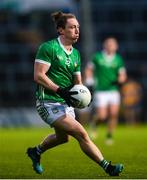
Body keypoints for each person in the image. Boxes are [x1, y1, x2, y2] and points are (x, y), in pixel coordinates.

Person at [26, 12, 123, 176]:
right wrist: (59, 90)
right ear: (61, 30)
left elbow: (78, 82)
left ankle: (36, 151)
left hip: (65, 103)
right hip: (47, 102)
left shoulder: (76, 53)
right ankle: (108, 167)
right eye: (72, 27)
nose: (77, 30)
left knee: (64, 138)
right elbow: (38, 76)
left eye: (78, 27)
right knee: (81, 133)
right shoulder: (48, 48)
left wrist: (86, 95)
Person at [85, 37, 127, 143]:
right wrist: (89, 81)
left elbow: (122, 74)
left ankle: (109, 135)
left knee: (113, 113)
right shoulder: (97, 57)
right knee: (102, 116)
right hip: (101, 90)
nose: (111, 46)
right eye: (109, 44)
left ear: (116, 46)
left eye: (113, 44)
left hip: (113, 89)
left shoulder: (118, 59)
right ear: (105, 45)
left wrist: (121, 80)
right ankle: (94, 124)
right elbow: (89, 69)